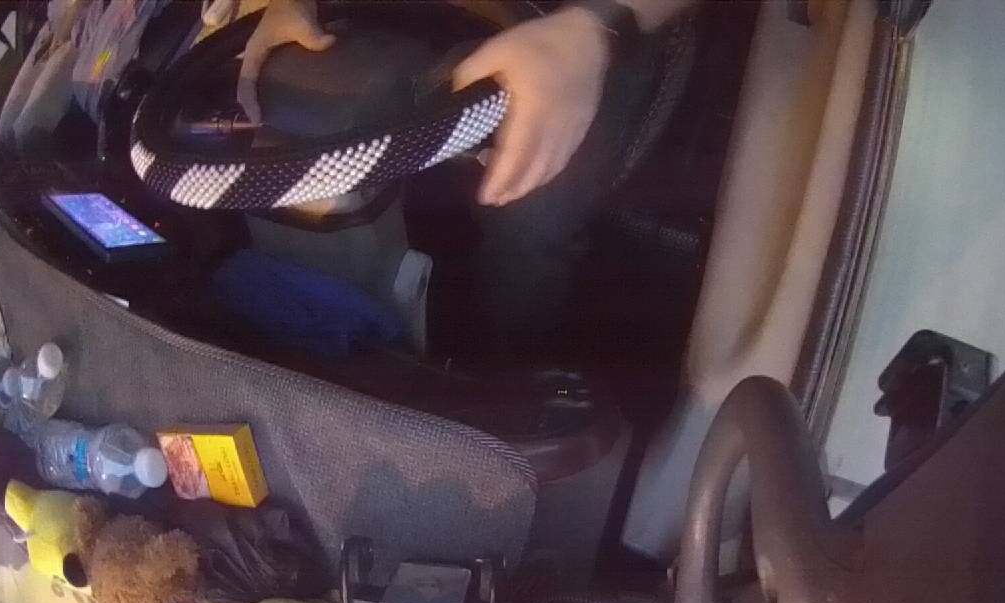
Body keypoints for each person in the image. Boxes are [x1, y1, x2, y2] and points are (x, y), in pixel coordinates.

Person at [239, 0, 695, 361]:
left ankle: (504, 383)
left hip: (591, 25)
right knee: (286, 134)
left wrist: (594, 27)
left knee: (529, 215)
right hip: (404, 20)